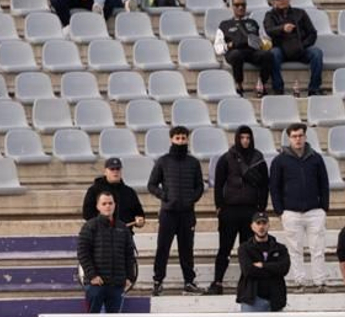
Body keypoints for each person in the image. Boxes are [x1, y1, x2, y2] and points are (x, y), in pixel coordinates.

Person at [268, 122, 330, 289]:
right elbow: (274, 187)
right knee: (295, 250)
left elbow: (324, 183)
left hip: (314, 211)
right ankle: (300, 282)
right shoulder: (280, 161)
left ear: (305, 136)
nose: (298, 139)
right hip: (291, 212)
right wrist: (280, 211)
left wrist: (324, 207)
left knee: (317, 249)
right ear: (289, 138)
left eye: (300, 135)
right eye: (294, 136)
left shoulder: (316, 158)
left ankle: (320, 281)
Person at [147, 125, 206, 296]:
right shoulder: (163, 161)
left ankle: (189, 282)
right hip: (168, 213)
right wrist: (165, 196)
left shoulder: (193, 162)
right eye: (177, 138)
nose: (180, 141)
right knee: (163, 248)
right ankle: (158, 281)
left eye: (183, 138)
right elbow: (151, 185)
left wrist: (191, 199)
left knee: (186, 249)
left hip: (187, 213)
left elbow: (199, 186)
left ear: (187, 139)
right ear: (171, 139)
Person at [211, 124, 268, 295]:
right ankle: (217, 282)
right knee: (224, 248)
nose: (245, 141)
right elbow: (218, 184)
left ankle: (248, 284)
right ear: (237, 138)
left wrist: (261, 208)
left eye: (248, 138)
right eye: (242, 137)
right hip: (230, 211)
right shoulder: (226, 158)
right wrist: (219, 206)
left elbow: (265, 185)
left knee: (249, 249)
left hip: (251, 211)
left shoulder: (258, 158)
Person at [237, 212, 289, 317]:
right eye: (258, 223)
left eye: (264, 223)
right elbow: (248, 270)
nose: (261, 226)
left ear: (268, 225)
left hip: (274, 300)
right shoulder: (245, 248)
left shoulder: (280, 248)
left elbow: (284, 268)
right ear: (252, 226)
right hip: (252, 300)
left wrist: (263, 266)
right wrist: (272, 269)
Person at [78, 192, 139, 315]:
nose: (108, 206)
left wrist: (129, 277)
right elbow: (83, 253)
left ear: (115, 205)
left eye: (110, 203)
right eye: (104, 203)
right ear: (98, 206)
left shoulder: (123, 228)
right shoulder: (89, 226)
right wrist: (92, 276)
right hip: (96, 285)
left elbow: (129, 255)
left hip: (117, 285)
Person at [263, 0, 324, 96]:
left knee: (317, 53)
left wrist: (302, 45)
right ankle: (278, 88)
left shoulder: (300, 13)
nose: (281, 0)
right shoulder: (270, 15)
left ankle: (314, 88)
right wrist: (282, 28)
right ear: (273, 2)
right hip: (282, 49)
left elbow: (312, 33)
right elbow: (269, 30)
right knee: (273, 54)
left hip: (301, 48)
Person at [215, 0, 276, 96]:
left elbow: (262, 39)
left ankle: (261, 83)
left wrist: (261, 43)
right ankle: (239, 84)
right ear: (232, 6)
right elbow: (218, 47)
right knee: (236, 55)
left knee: (268, 55)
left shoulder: (253, 23)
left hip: (252, 51)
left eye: (243, 5)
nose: (240, 7)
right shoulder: (224, 24)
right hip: (234, 51)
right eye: (237, 5)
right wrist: (228, 46)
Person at [82, 157, 146, 229]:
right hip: (101, 233)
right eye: (112, 169)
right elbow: (87, 214)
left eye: (118, 169)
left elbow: (139, 214)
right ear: (105, 171)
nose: (115, 171)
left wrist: (140, 221)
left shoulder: (130, 192)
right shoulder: (94, 190)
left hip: (125, 233)